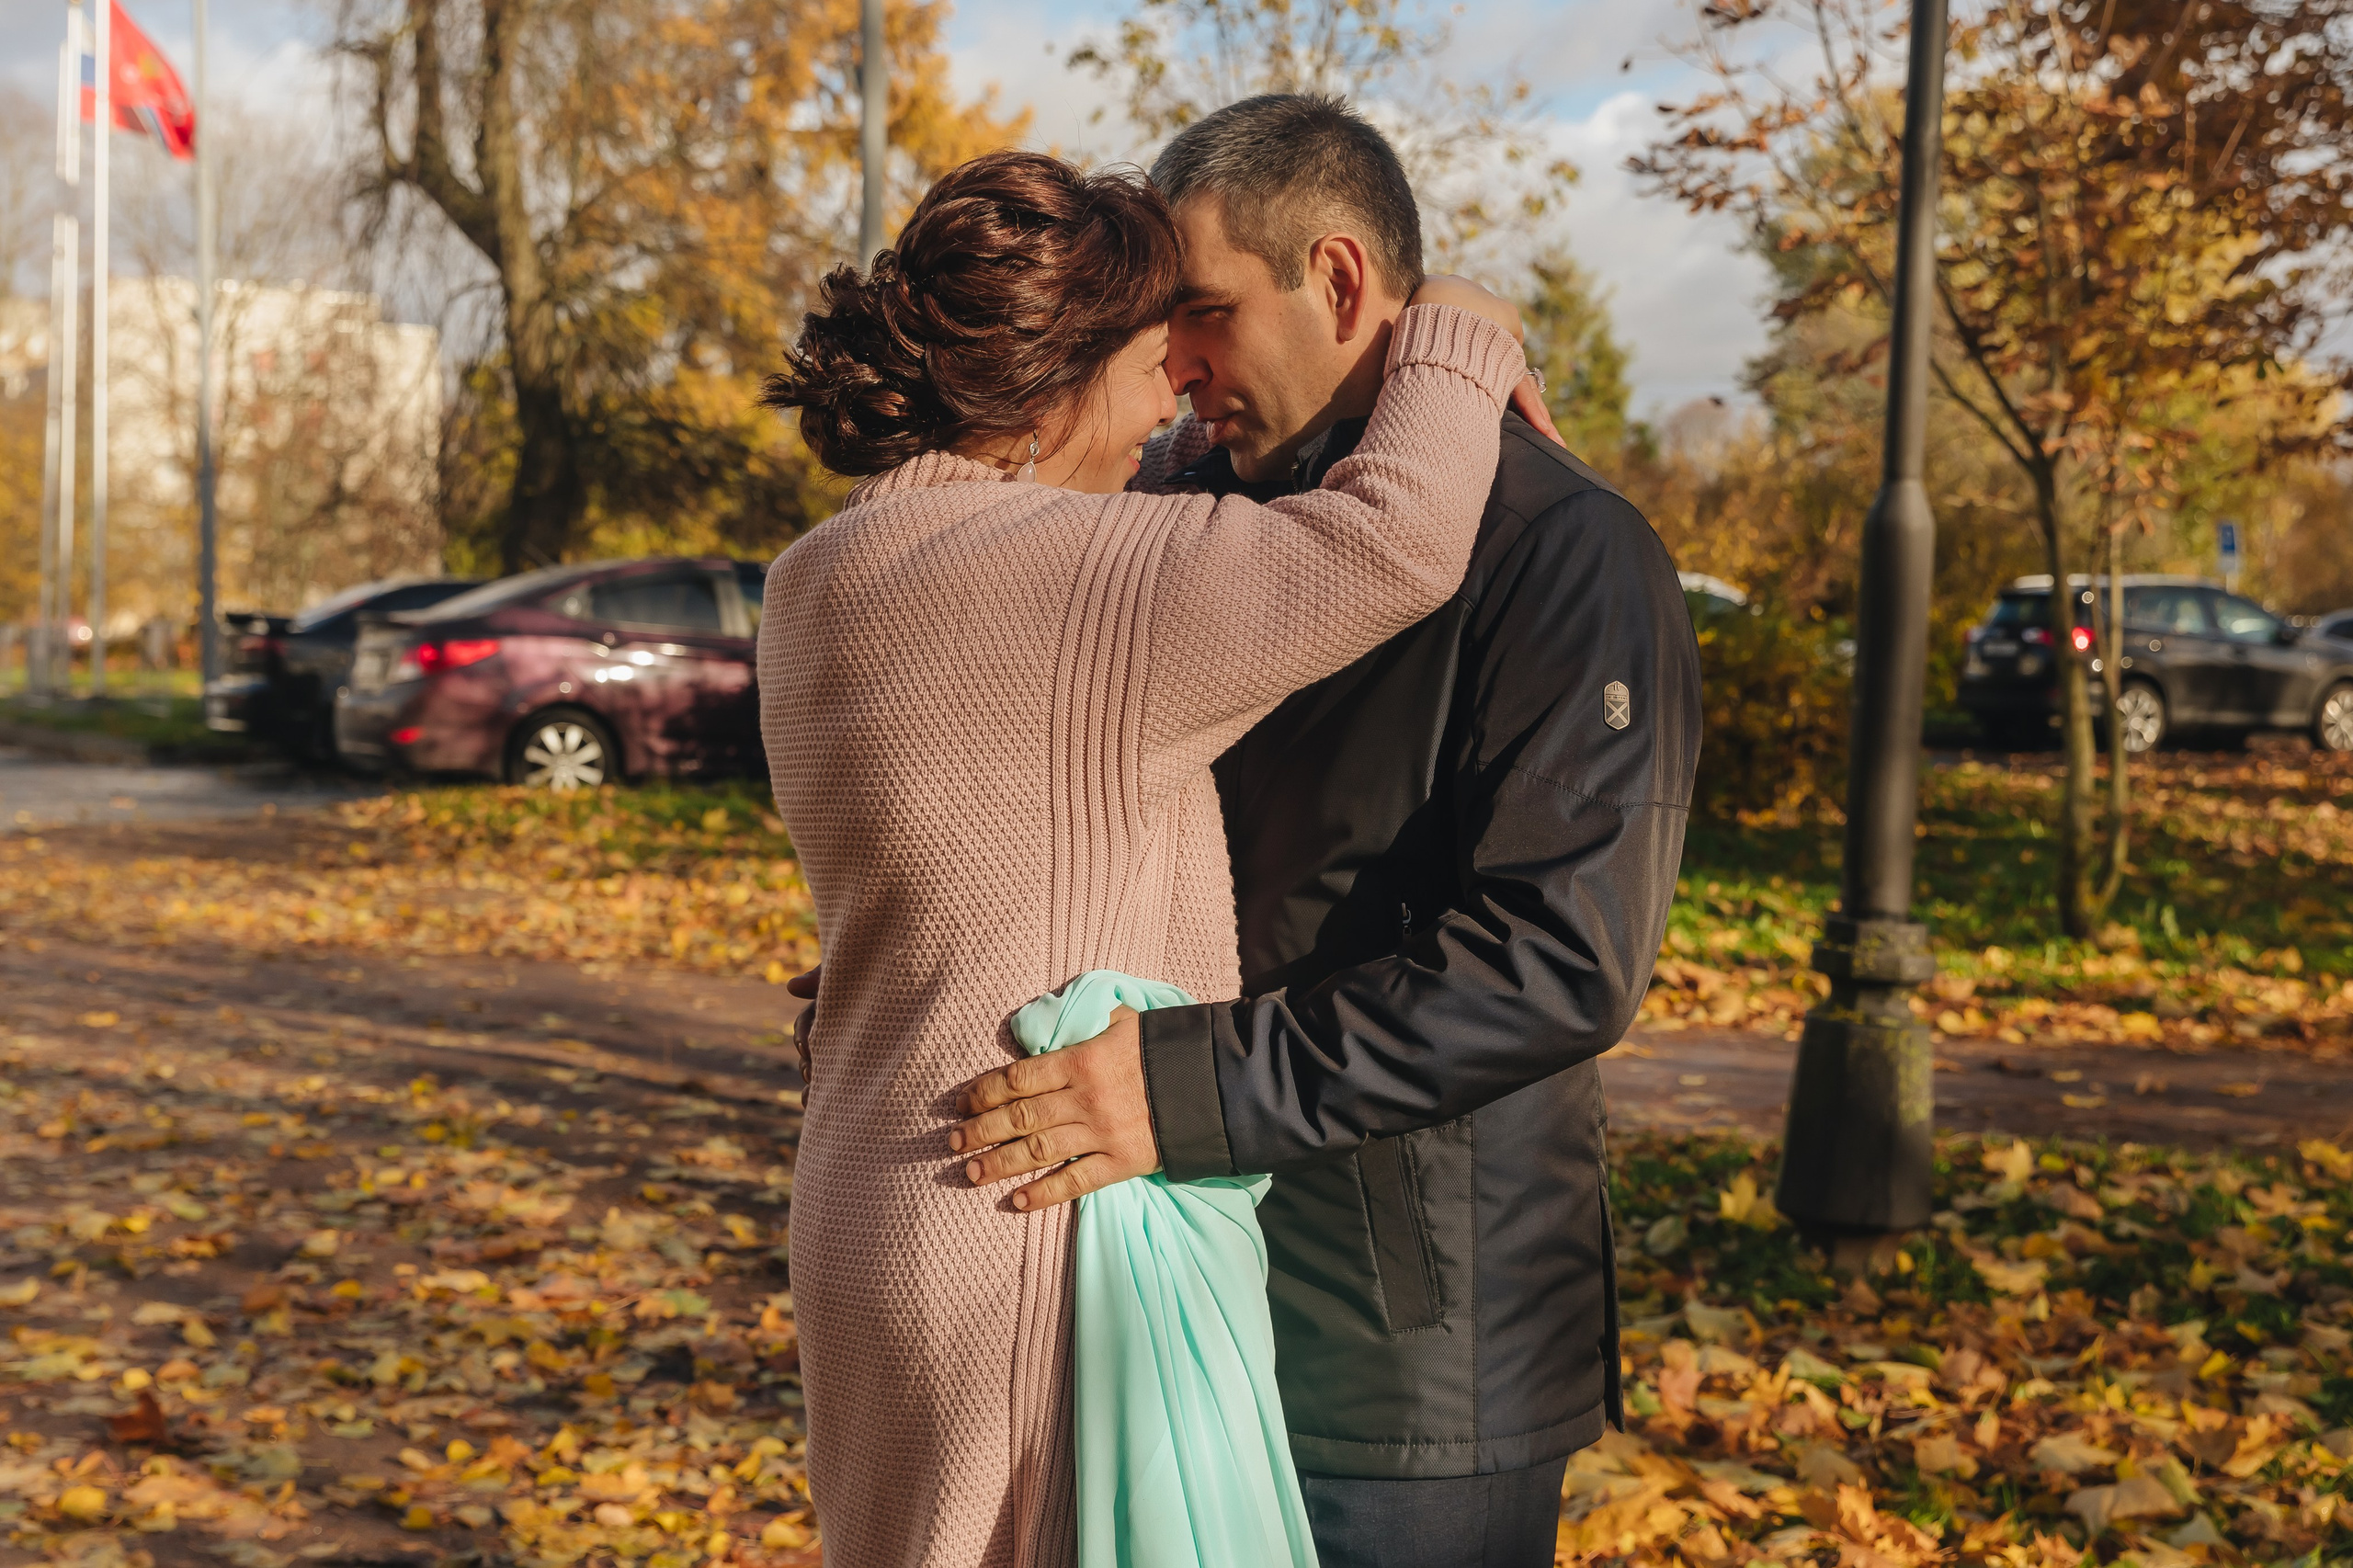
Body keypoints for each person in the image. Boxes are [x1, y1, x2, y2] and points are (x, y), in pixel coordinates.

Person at [949, 97, 1705, 1568]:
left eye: (1205, 314)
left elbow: (1563, 959)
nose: (1176, 368)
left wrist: (1182, 1092)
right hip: (1173, 1275)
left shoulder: (1562, 549)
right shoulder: (1196, 525)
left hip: (1409, 1359)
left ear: (1343, 283)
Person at [756, 146, 1536, 1568]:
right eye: (1148, 358)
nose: (1174, 390)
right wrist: (1463, 326)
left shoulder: (816, 579)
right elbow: (1401, 537)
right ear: (1055, 383)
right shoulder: (1082, 579)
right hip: (1032, 1230)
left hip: (869, 1197)